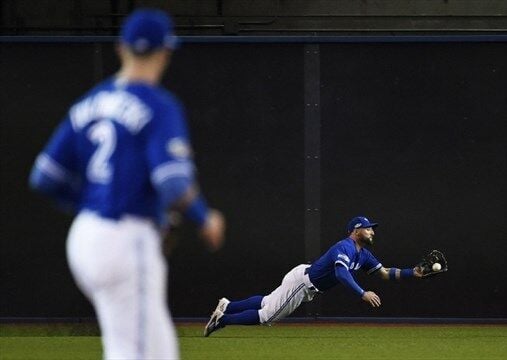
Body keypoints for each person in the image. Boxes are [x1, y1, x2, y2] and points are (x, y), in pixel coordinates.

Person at [29, 9, 225, 359]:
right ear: (166, 52)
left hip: (84, 237)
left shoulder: (88, 103)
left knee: (153, 351)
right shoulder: (158, 105)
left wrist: (92, 205)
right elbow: (173, 183)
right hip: (125, 238)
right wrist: (204, 218)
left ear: (121, 48)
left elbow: (44, 177)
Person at [204, 216, 422, 337]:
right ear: (355, 231)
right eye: (368, 228)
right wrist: (362, 293)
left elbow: (385, 273)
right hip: (303, 283)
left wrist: (414, 272)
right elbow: (341, 273)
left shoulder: (364, 255)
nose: (372, 231)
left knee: (267, 302)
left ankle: (228, 305)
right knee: (268, 316)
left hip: (304, 276)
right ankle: (222, 320)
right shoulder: (344, 247)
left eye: (372, 229)